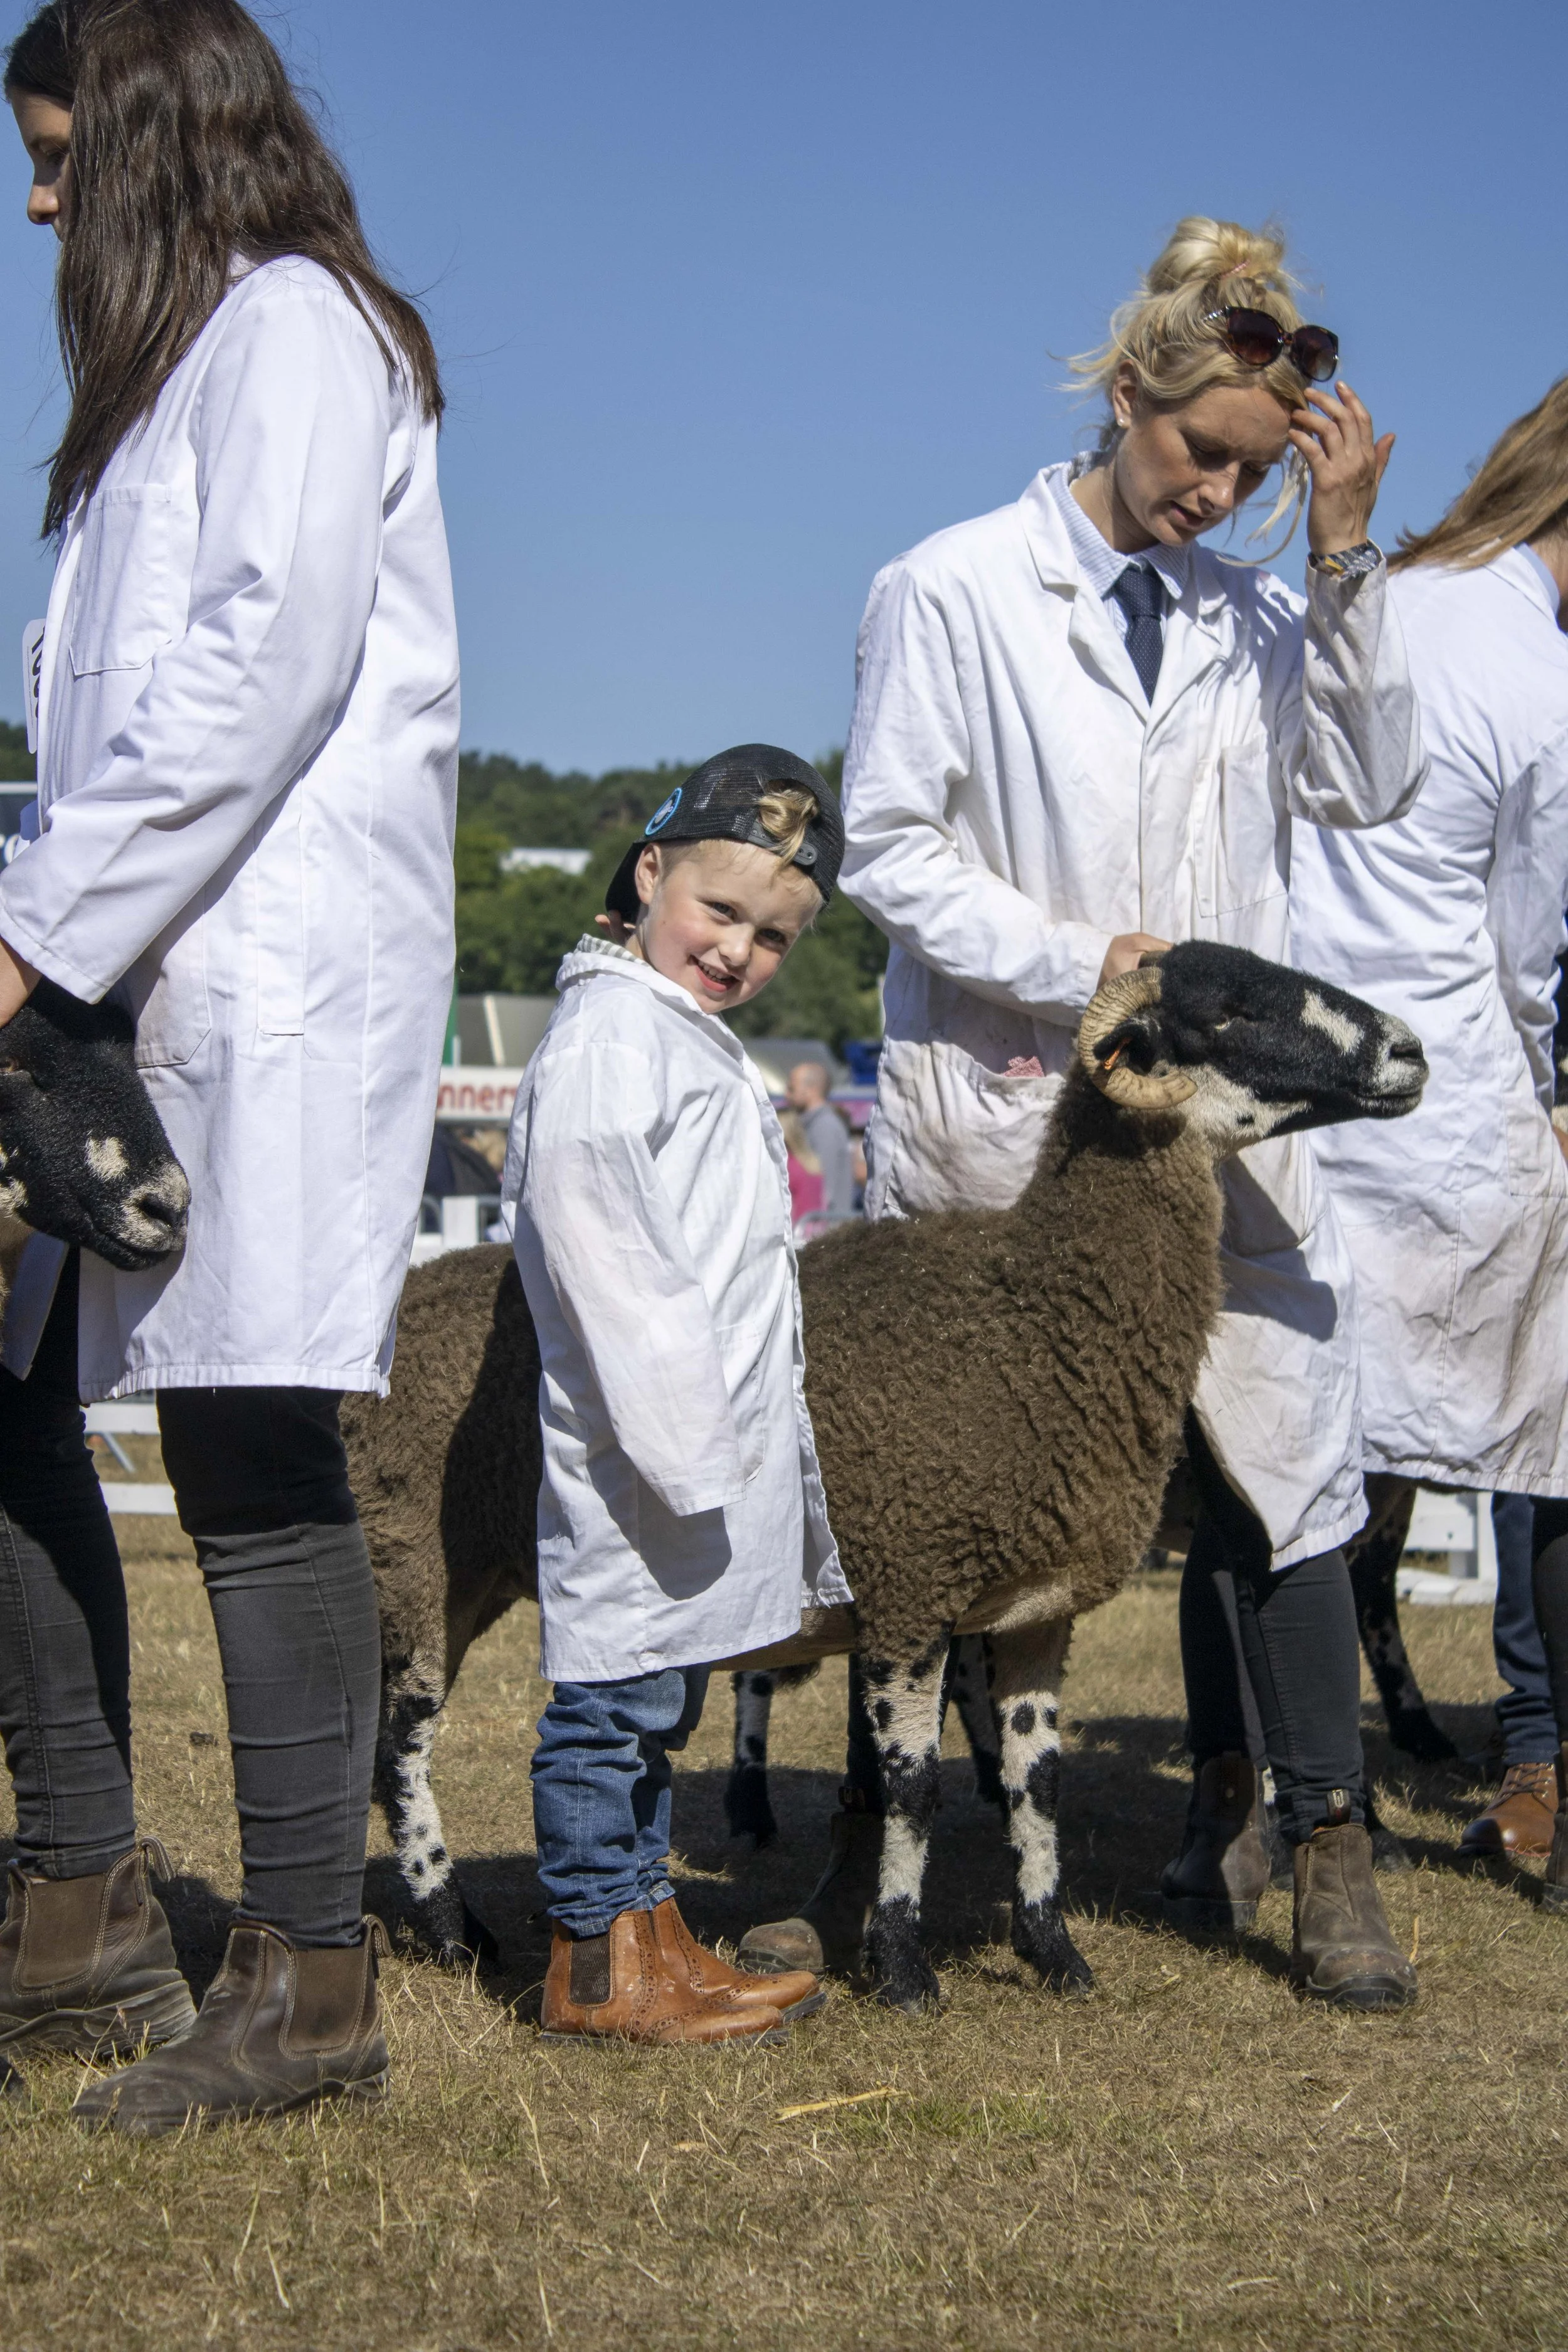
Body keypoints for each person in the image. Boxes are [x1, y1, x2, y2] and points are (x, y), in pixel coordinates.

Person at [789, 215, 1428, 2006]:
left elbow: (1368, 783)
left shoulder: (1262, 614)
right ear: (1124, 395)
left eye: (1247, 471)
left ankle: (1322, 1842)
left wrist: (1345, 552)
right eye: (1193, 454)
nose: (1214, 496)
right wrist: (1090, 966)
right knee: (922, 1489)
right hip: (1020, 1119)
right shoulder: (949, 587)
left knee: (1287, 1459)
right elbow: (892, 844)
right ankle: (873, 1831)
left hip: (1223, 1132)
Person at [0, 0, 458, 2130]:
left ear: (162, 145)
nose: (39, 200)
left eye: (63, 156)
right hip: (132, 973)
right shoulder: (159, 392)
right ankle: (84, 1887)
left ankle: (311, 1979)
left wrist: (31, 936)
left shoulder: (291, 330)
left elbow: (264, 664)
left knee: (259, 1445)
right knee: (18, 1395)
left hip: (264, 974)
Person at [504, 747, 852, 2043]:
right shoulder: (606, 1040)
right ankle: (595, 1963)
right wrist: (686, 1450)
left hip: (695, 1451)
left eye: (772, 937)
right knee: (608, 1708)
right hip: (643, 1450)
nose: (738, 950)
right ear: (649, 872)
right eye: (719, 912)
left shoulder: (673, 1033)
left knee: (655, 1703)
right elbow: (612, 1264)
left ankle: (653, 1933)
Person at [1290, 381, 1568, 1883]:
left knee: (1301, 1462)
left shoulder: (1384, 592)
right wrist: (1536, 1095)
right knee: (1545, 1443)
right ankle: (1548, 1770)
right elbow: (1529, 943)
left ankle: (1280, 1792)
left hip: (1311, 1085)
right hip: (1453, 1087)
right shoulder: (1535, 669)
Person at [785, 1060, 856, 1215]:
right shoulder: (812, 1124)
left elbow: (824, 1187)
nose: (787, 1095)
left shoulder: (825, 1126)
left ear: (811, 1090)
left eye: (792, 1088)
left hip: (825, 1228)